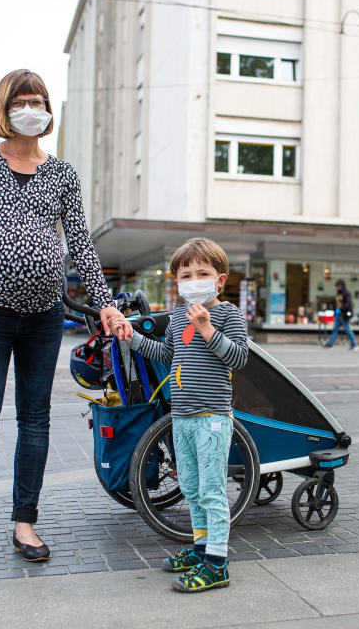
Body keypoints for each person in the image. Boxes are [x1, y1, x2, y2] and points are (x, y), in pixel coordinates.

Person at [0, 69, 132, 569]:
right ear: (6, 107)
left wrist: (105, 300)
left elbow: (81, 245)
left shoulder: (62, 173)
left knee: (35, 420)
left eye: (40, 100)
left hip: (45, 315)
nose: (32, 107)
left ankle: (25, 521)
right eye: (22, 100)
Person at [111, 237, 248, 593]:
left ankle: (217, 564)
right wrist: (131, 339)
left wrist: (207, 328)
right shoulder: (175, 316)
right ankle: (201, 548)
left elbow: (239, 359)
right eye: (186, 275)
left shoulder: (228, 313)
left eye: (203, 273)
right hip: (182, 417)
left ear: (220, 279)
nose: (193, 280)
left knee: (212, 490)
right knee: (190, 486)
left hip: (213, 418)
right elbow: (166, 353)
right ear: (177, 282)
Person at [323, 279, 358, 350]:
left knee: (347, 329)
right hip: (338, 314)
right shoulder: (338, 294)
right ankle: (330, 344)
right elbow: (336, 303)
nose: (337, 288)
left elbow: (348, 304)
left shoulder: (347, 294)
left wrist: (340, 310)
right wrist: (335, 310)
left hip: (343, 314)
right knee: (335, 329)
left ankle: (354, 344)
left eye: (338, 286)